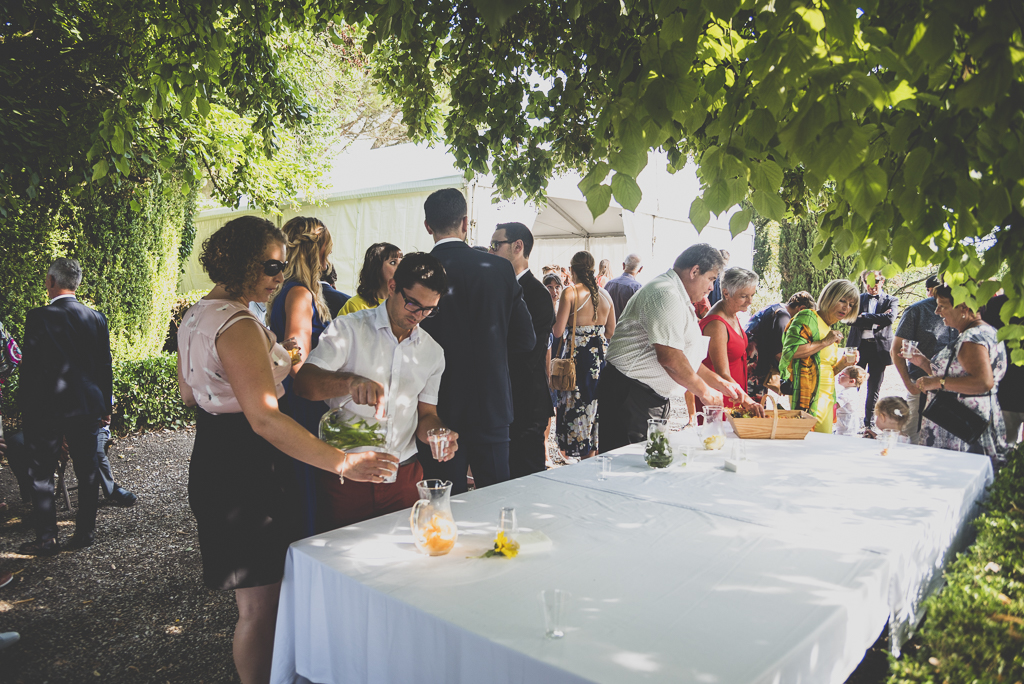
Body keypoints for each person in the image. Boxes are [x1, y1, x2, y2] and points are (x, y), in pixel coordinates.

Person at [177, 216, 396, 684]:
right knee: (259, 607)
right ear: (243, 265)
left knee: (257, 601)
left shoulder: (197, 313)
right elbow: (264, 418)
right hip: (245, 465)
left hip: (213, 451)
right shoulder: (236, 323)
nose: (281, 277)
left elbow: (190, 396)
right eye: (274, 267)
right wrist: (342, 461)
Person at [295, 253, 458, 529]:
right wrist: (349, 382)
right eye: (413, 303)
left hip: (403, 475)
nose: (418, 316)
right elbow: (304, 385)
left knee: (404, 562)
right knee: (340, 560)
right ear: (392, 287)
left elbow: (426, 415)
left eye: (429, 309)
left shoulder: (433, 352)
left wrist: (437, 433)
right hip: (347, 473)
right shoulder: (349, 329)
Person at [417, 188, 536, 494]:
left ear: (428, 226)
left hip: (436, 404)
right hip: (490, 401)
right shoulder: (499, 269)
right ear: (465, 223)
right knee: (495, 498)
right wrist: (490, 353)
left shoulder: (418, 272)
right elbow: (526, 339)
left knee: (444, 499)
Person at [598, 244, 755, 452]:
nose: (711, 287)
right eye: (711, 279)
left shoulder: (679, 296)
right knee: (628, 467)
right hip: (629, 395)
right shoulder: (665, 294)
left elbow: (688, 360)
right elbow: (670, 358)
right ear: (694, 271)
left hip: (643, 396)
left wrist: (722, 384)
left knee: (649, 463)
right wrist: (705, 392)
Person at [19, 258, 113, 556]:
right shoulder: (96, 318)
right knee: (87, 470)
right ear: (77, 284)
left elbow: (30, 369)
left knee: (42, 473)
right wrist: (106, 405)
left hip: (46, 408)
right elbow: (104, 367)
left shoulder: (37, 318)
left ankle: (47, 539)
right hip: (86, 406)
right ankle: (85, 532)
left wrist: (25, 407)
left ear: (50, 282)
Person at [267, 216, 336, 536]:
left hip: (298, 402)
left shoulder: (287, 291)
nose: (327, 261)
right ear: (314, 252)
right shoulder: (299, 294)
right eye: (326, 252)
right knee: (310, 494)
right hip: (305, 405)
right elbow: (296, 356)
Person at [907, 283, 1010, 464]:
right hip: (975, 418)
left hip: (961, 425)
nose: (937, 311)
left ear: (963, 307)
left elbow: (983, 382)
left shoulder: (971, 339)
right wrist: (922, 361)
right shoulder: (986, 330)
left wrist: (937, 382)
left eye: (942, 306)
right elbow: (958, 374)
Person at [488, 222, 555, 478]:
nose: (490, 251)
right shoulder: (497, 285)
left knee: (526, 476)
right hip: (501, 401)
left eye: (496, 245)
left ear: (518, 247)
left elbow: (527, 354)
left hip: (525, 402)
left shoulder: (537, 294)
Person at [553, 251, 616, 460]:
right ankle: (591, 453)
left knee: (575, 403)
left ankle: (576, 452)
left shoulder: (570, 293)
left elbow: (558, 331)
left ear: (571, 270)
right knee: (594, 405)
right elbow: (611, 331)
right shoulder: (605, 295)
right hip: (598, 359)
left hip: (576, 359)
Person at [780, 279, 861, 434]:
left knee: (821, 443)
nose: (846, 307)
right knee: (809, 442)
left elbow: (825, 370)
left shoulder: (829, 328)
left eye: (851, 304)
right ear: (829, 298)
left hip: (827, 396)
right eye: (842, 300)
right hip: (808, 397)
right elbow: (791, 352)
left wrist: (843, 363)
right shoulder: (808, 317)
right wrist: (825, 342)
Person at [890, 275, 959, 444]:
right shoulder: (916, 311)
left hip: (956, 391)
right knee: (913, 439)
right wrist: (909, 385)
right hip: (922, 389)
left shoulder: (967, 312)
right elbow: (896, 349)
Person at [696, 267, 759, 413]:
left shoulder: (731, 313)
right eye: (744, 296)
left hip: (735, 392)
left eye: (752, 295)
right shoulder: (716, 324)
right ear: (726, 293)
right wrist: (747, 400)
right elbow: (722, 373)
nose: (749, 301)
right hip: (722, 396)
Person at [847, 271, 898, 427]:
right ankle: (848, 420)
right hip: (858, 347)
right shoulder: (857, 299)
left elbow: (890, 318)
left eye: (875, 281)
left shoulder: (891, 300)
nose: (871, 286)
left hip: (879, 348)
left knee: (874, 386)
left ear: (882, 281)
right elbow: (849, 320)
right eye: (867, 282)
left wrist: (864, 317)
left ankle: (868, 423)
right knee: (851, 384)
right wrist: (877, 318)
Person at [746, 291, 816, 396]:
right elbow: (780, 354)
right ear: (801, 309)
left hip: (748, 364)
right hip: (753, 370)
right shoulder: (783, 317)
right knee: (753, 409)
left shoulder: (776, 308)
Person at [980, 292, 1023, 446]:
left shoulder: (995, 304)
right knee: (1001, 452)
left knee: (1001, 452)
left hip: (1003, 389)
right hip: (1004, 392)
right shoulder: (995, 304)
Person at [338, 242, 403, 315]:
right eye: (393, 262)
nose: (401, 267)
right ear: (376, 268)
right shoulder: (355, 306)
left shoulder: (405, 304)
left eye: (402, 262)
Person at [604, 254, 643, 319]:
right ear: (640, 269)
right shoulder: (637, 288)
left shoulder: (609, 284)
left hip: (609, 328)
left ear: (623, 265)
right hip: (627, 328)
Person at [834, 366, 866, 436]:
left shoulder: (847, 392)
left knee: (843, 438)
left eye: (842, 374)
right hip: (849, 422)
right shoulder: (851, 390)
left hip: (846, 425)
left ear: (851, 381)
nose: (839, 375)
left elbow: (837, 404)